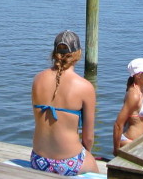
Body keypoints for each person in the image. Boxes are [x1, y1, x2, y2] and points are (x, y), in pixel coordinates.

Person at [30, 30, 99, 175]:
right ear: (78, 53)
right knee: (95, 169)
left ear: (54, 52)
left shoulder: (37, 80)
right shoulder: (85, 87)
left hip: (38, 160)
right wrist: (86, 154)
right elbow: (88, 138)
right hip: (69, 162)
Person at [113, 57, 143, 154]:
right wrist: (116, 149)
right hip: (130, 141)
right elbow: (118, 124)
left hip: (141, 140)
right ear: (138, 75)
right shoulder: (134, 95)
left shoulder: (141, 89)